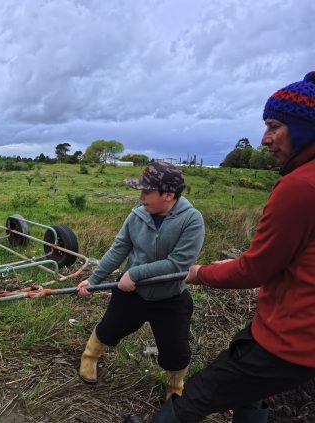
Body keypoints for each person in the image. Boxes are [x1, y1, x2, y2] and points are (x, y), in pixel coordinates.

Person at [125, 71, 315, 423]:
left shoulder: (299, 187)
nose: (265, 138)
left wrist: (200, 273)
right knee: (253, 394)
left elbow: (256, 269)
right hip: (298, 331)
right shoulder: (137, 216)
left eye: (274, 126)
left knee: (199, 395)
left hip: (291, 335)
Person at [77, 161, 205, 400]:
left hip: (170, 296)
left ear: (168, 195)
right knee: (109, 328)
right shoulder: (137, 215)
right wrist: (93, 280)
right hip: (132, 293)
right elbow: (119, 249)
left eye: (147, 192)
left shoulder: (191, 220)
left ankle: (175, 387)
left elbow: (178, 264)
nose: (141, 196)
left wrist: (135, 274)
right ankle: (90, 356)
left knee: (176, 351)